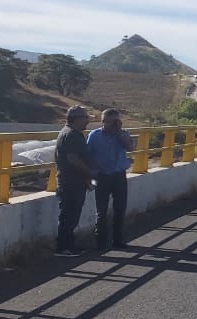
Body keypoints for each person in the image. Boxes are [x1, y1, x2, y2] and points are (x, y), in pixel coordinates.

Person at [86, 109, 135, 250]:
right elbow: (88, 155)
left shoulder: (123, 134)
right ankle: (101, 242)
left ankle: (117, 240)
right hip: (101, 176)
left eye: (111, 121)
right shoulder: (94, 135)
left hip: (119, 175)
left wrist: (119, 132)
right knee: (101, 211)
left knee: (119, 209)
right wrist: (91, 174)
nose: (107, 124)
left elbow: (130, 147)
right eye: (105, 121)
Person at [53, 106, 96, 257]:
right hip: (71, 181)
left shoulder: (69, 133)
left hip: (72, 180)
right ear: (77, 119)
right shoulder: (72, 135)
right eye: (86, 118)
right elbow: (73, 159)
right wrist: (91, 173)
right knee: (69, 215)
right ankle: (63, 247)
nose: (88, 121)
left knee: (71, 214)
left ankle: (69, 244)